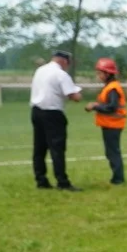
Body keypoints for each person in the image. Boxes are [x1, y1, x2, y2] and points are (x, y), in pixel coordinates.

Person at [30, 49, 83, 191]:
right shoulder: (61, 74)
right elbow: (74, 96)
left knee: (39, 148)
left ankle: (41, 180)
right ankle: (62, 181)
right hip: (52, 113)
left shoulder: (40, 70)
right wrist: (79, 93)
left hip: (36, 111)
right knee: (57, 148)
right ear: (65, 61)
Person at [84, 57, 127, 185]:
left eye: (100, 73)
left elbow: (111, 107)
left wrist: (94, 106)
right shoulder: (110, 86)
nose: (98, 75)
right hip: (110, 124)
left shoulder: (112, 88)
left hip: (113, 124)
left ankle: (118, 179)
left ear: (108, 73)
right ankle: (117, 178)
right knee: (111, 152)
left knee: (113, 152)